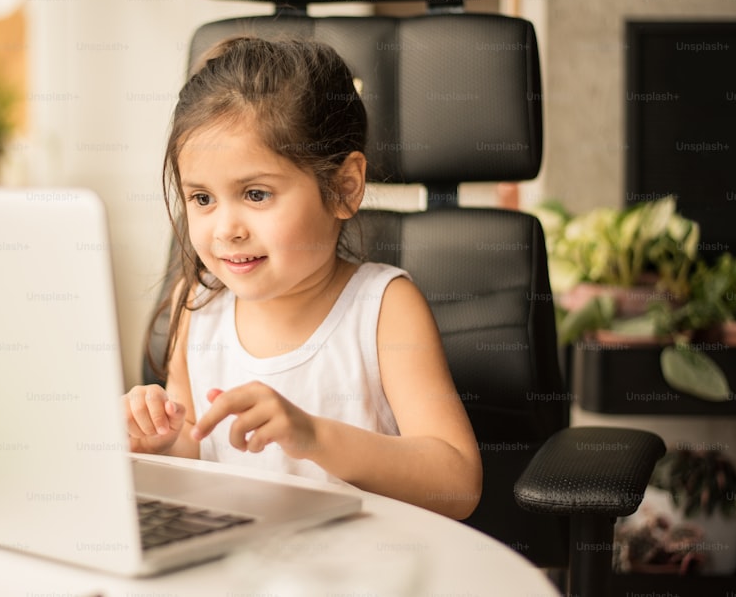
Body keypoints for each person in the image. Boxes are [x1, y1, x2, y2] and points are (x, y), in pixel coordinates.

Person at [124, 36, 482, 519]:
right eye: (202, 199)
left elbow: (456, 483)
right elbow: (196, 447)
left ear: (344, 188)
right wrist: (158, 441)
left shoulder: (384, 309)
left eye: (255, 194)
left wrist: (313, 436)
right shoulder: (198, 302)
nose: (226, 229)